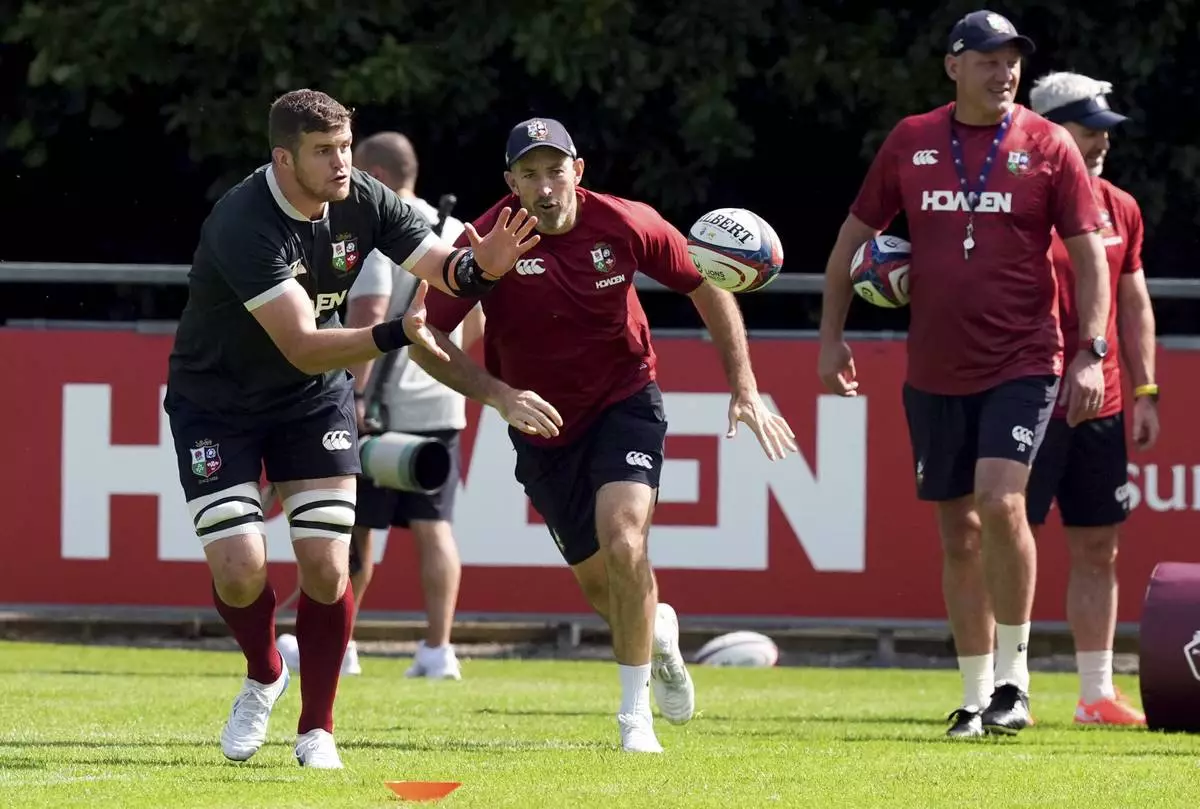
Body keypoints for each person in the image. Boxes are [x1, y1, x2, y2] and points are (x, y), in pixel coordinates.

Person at [164, 88, 538, 769]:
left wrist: (481, 266)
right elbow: (302, 344)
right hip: (216, 403)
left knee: (329, 566)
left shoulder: (363, 195)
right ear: (284, 159)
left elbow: (441, 268)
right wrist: (399, 332)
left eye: (345, 146)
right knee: (241, 569)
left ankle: (317, 730)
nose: (342, 162)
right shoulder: (244, 221)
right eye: (323, 151)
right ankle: (265, 672)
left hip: (312, 402)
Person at [410, 117, 798, 753]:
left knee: (624, 542)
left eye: (555, 170)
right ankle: (659, 634)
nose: (545, 186)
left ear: (578, 171)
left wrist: (745, 386)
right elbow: (421, 331)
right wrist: (497, 394)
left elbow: (704, 284)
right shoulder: (485, 240)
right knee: (603, 589)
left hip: (625, 401)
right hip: (542, 424)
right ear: (511, 182)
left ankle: (633, 716)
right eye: (529, 174)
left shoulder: (625, 222)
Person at [817, 10, 1111, 739]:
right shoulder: (911, 139)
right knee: (958, 532)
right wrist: (831, 338)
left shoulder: (1047, 144)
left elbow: (1090, 256)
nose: (1003, 72)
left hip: (1024, 358)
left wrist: (1092, 350)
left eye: (1011, 60)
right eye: (987, 59)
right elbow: (853, 239)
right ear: (954, 67)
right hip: (934, 366)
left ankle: (1015, 683)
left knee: (1001, 501)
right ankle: (976, 696)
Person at [1026, 72, 1158, 726]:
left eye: (1106, 130)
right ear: (1051, 132)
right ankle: (1001, 683)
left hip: (1100, 403)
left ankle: (1095, 693)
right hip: (1024, 396)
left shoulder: (1120, 205)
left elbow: (1133, 304)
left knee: (1100, 545)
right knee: (1008, 540)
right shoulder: (1017, 203)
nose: (1102, 142)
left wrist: (1145, 389)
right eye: (1089, 129)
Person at [344, 130, 482, 679]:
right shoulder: (456, 231)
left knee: (356, 528)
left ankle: (341, 644)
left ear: (375, 176)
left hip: (381, 409)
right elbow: (474, 322)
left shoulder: (379, 227)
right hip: (441, 405)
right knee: (435, 526)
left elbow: (370, 315)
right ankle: (437, 650)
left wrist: (355, 393)